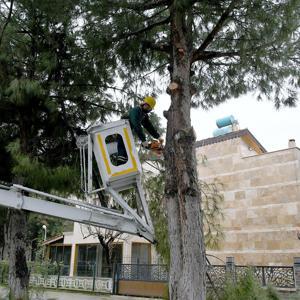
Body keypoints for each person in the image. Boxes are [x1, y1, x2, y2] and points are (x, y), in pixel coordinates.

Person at [117, 96, 163, 165]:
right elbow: (136, 125)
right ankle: (120, 162)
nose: (148, 108)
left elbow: (149, 126)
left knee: (126, 150)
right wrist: (143, 140)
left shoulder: (143, 114)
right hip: (120, 129)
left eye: (149, 108)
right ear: (144, 104)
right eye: (147, 106)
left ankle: (124, 161)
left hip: (126, 131)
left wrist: (158, 137)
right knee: (122, 149)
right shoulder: (136, 110)